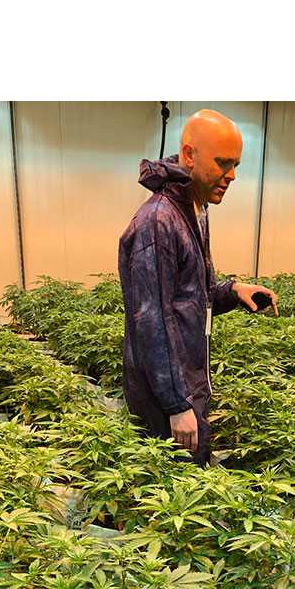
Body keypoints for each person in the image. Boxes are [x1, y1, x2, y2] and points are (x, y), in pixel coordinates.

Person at [117, 108, 278, 468]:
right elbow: (153, 319)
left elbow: (192, 299)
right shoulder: (158, 221)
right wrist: (176, 406)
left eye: (236, 164)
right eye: (223, 163)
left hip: (187, 387)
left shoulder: (193, 211)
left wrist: (233, 290)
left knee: (194, 483)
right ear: (189, 155)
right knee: (173, 498)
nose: (232, 176)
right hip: (166, 402)